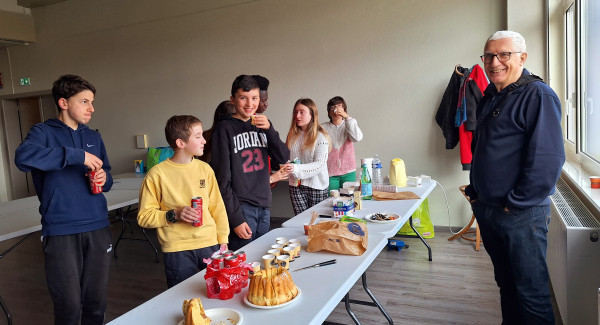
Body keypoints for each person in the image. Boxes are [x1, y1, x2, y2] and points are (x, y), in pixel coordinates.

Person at [465, 30, 565, 324]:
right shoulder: (491, 94)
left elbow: (548, 157)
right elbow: (484, 148)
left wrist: (517, 202)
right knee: (507, 286)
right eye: (488, 56)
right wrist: (476, 192)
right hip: (489, 208)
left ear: (522, 57)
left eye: (503, 54)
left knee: (531, 294)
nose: (494, 62)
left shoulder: (538, 95)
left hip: (520, 214)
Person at [14, 74, 113, 325]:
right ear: (63, 103)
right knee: (68, 307)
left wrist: (103, 177)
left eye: (92, 102)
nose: (91, 108)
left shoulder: (94, 136)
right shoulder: (42, 133)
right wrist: (75, 156)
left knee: (96, 304)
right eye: (84, 101)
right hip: (61, 229)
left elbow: (108, 177)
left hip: (98, 225)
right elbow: (23, 158)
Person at [138, 115, 229, 288]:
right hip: (177, 249)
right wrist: (175, 214)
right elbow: (144, 217)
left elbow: (218, 208)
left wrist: (223, 240)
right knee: (182, 298)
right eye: (198, 136)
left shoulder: (205, 169)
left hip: (209, 244)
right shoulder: (157, 174)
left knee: (216, 292)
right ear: (181, 143)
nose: (204, 140)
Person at [211, 75, 290, 251]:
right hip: (241, 207)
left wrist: (270, 130)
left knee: (261, 257)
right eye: (243, 98)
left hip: (264, 204)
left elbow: (283, 158)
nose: (249, 104)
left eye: (254, 98)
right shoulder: (224, 129)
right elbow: (222, 180)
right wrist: (236, 218)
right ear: (233, 100)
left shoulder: (262, 125)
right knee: (244, 260)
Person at [283, 98, 330, 215]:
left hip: (317, 186)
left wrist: (295, 168)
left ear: (312, 114)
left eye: (301, 112)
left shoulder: (321, 137)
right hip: (295, 185)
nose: (297, 115)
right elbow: (288, 157)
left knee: (316, 223)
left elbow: (319, 164)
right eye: (295, 112)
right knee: (300, 222)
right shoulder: (292, 135)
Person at [320, 96, 363, 191]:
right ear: (328, 112)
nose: (336, 109)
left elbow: (357, 138)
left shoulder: (349, 124)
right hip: (330, 172)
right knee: (331, 201)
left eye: (340, 106)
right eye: (333, 107)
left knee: (349, 198)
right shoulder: (322, 128)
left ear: (344, 110)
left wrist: (347, 117)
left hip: (349, 171)